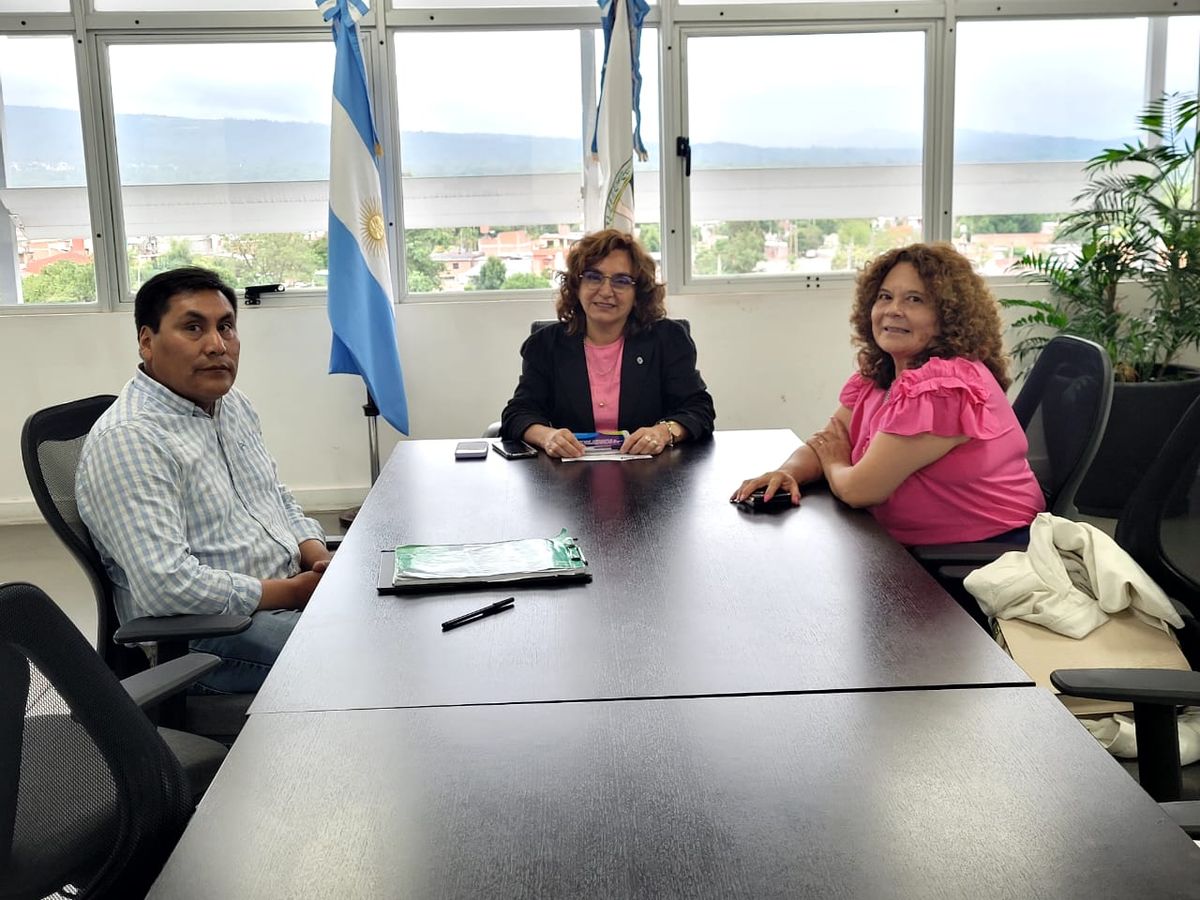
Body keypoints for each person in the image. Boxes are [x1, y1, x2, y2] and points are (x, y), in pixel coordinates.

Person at [76, 266, 331, 693]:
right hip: (205, 636)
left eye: (226, 327)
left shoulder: (230, 405)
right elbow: (166, 587)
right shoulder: (132, 438)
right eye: (193, 327)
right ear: (146, 341)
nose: (217, 345)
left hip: (282, 597)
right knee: (357, 654)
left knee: (399, 622)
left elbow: (275, 498)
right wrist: (293, 594)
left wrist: (317, 554)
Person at [732, 242, 1044, 547]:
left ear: (948, 316)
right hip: (901, 546)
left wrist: (835, 463)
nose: (894, 310)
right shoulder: (882, 372)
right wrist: (788, 473)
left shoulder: (944, 389)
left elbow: (858, 490)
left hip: (985, 551)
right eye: (885, 297)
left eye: (915, 300)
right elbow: (830, 439)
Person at [500, 229, 715, 459]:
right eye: (593, 277)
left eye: (621, 281)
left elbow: (698, 409)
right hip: (568, 480)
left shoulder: (667, 340)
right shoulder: (546, 345)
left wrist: (663, 432)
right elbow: (518, 413)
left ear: (637, 293)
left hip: (651, 477)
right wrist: (547, 436)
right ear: (576, 285)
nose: (605, 291)